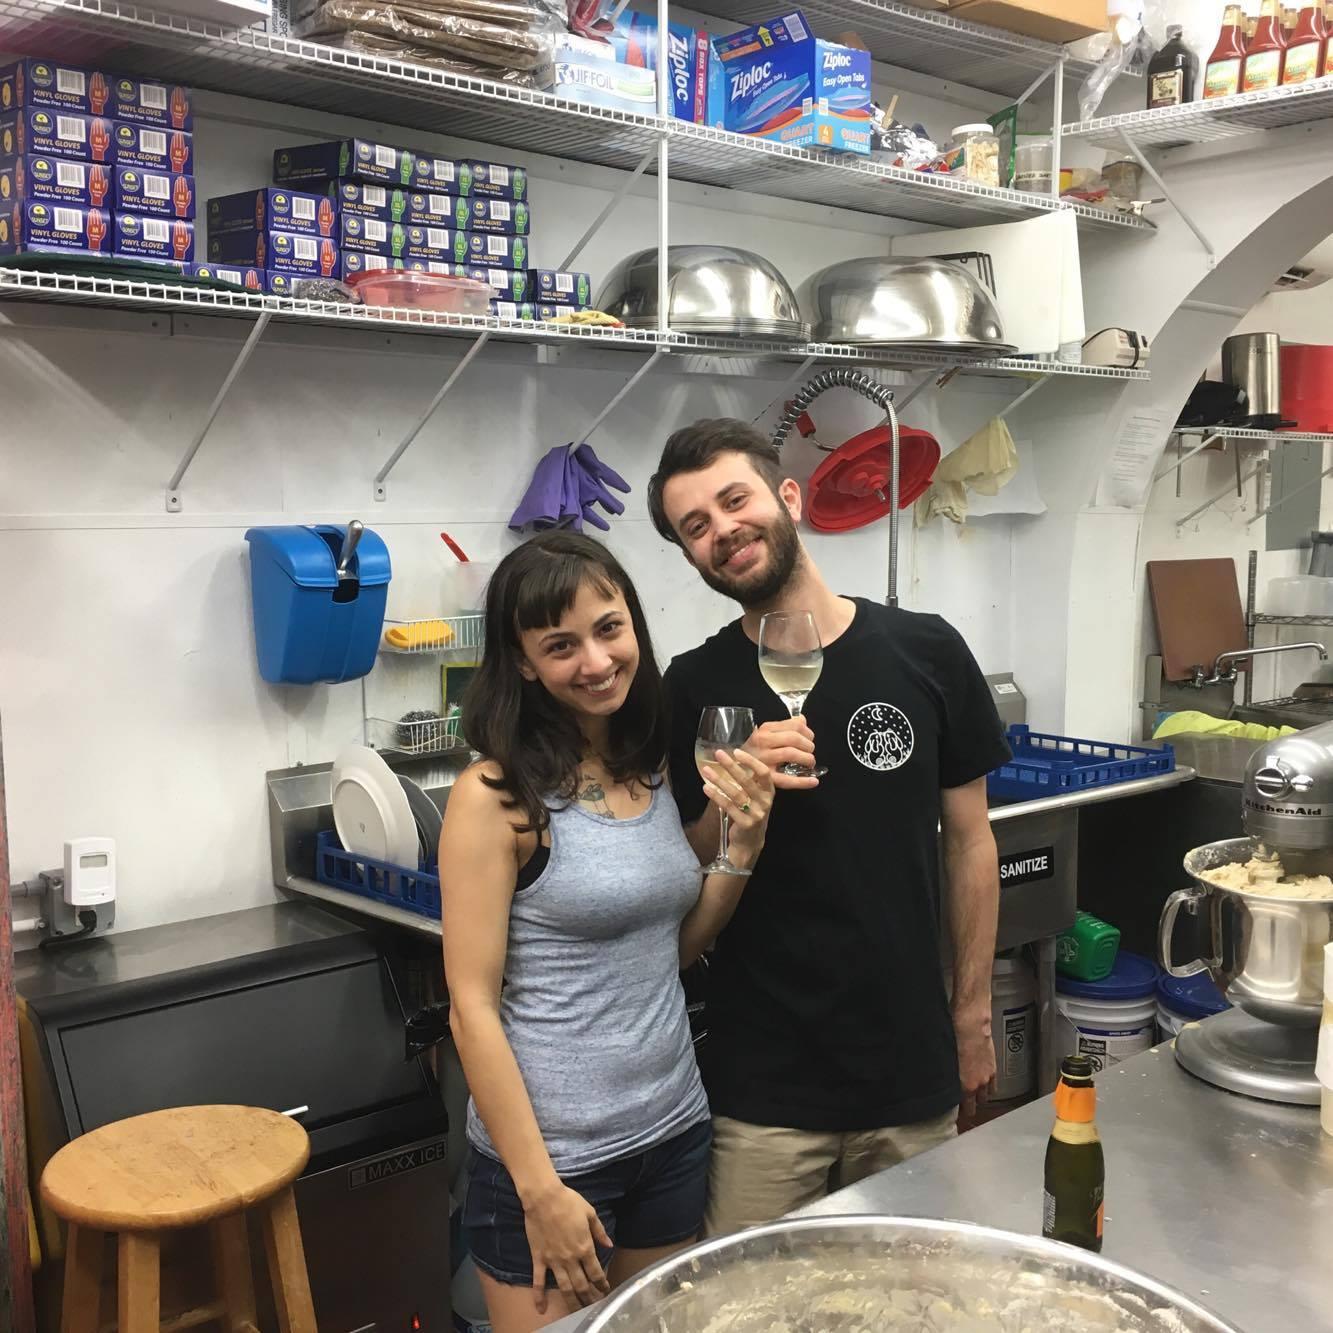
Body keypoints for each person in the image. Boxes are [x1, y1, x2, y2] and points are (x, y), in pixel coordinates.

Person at [646, 417, 1010, 1237]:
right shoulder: (693, 684)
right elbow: (683, 864)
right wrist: (730, 801)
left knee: (911, 1302)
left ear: (787, 496)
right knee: (748, 1307)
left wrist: (972, 1015)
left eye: (732, 500)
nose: (722, 531)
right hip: (761, 1095)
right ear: (690, 557)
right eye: (694, 527)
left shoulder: (925, 650)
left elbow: (972, 842)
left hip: (908, 1073)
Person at [441, 530, 774, 1333]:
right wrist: (538, 1189)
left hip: (670, 1129)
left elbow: (664, 952)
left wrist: (739, 844)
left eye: (609, 628)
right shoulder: (493, 795)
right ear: (522, 662)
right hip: (556, 1159)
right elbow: (470, 1006)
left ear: (633, 624)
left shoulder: (647, 761)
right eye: (561, 645)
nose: (595, 660)